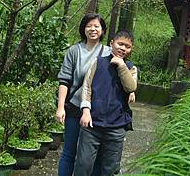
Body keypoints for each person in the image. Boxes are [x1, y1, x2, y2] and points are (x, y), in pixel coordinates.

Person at [57, 14, 115, 176]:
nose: (93, 29)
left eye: (97, 26)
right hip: (75, 108)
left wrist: (131, 90)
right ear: (83, 29)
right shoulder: (74, 51)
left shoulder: (108, 52)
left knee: (94, 155)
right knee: (69, 152)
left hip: (97, 111)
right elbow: (64, 80)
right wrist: (61, 107)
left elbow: (124, 71)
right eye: (89, 25)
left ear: (103, 30)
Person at [74, 30, 138, 176]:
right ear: (112, 44)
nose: (123, 48)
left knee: (110, 169)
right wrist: (85, 111)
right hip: (92, 124)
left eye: (127, 46)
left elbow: (131, 87)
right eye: (120, 44)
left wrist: (121, 66)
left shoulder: (131, 68)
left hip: (116, 127)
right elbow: (87, 86)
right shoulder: (98, 62)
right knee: (83, 166)